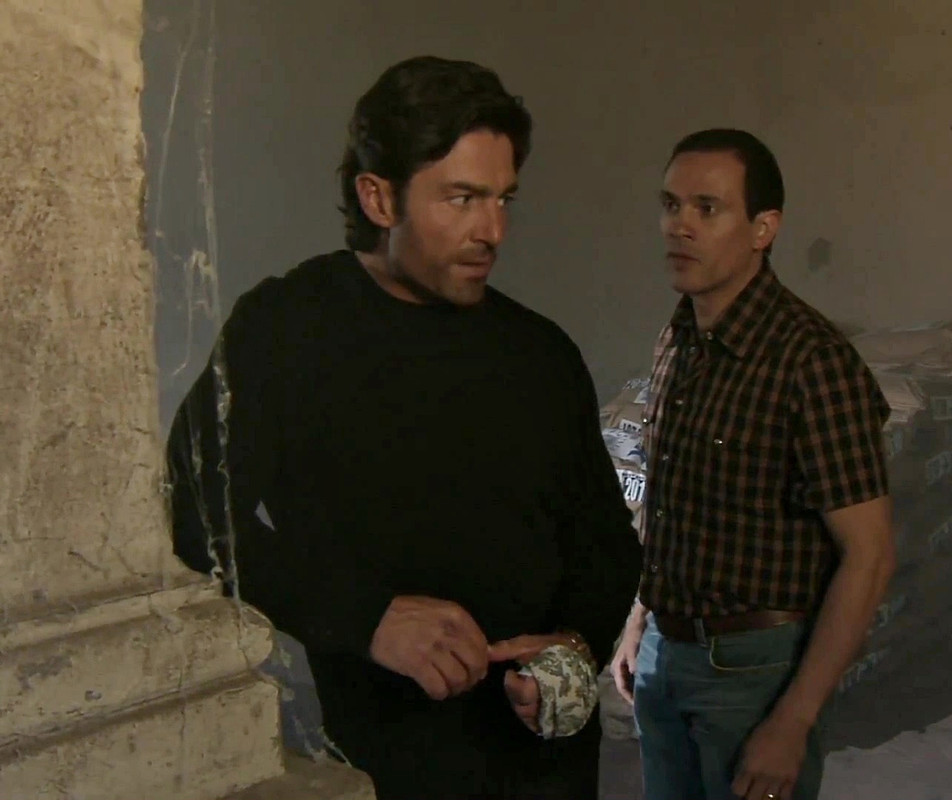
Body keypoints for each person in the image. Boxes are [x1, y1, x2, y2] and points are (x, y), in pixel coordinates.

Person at [166, 55, 641, 799]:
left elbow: (606, 544)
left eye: (504, 199)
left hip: (544, 768)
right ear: (379, 197)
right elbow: (194, 512)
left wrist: (573, 647)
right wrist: (365, 619)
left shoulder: (541, 352)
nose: (493, 230)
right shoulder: (288, 328)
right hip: (372, 765)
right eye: (462, 198)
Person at [609, 129, 896, 800]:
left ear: (764, 229)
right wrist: (642, 619)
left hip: (752, 671)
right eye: (671, 204)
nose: (679, 225)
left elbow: (870, 555)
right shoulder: (678, 337)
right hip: (664, 655)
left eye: (707, 208)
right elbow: (674, 501)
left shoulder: (811, 362)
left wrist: (793, 720)